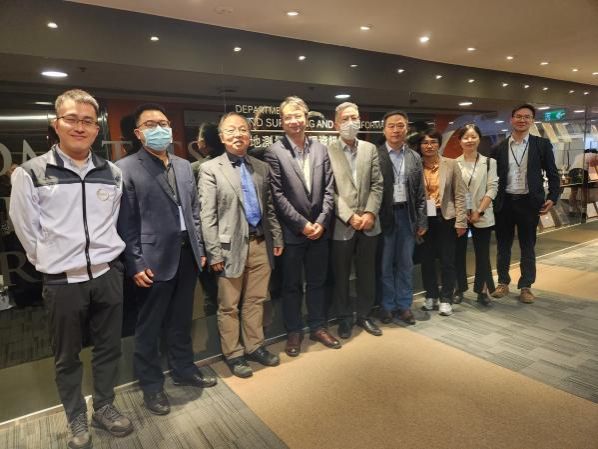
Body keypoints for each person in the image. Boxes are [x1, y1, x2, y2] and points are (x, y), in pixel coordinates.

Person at [9, 89, 133, 449]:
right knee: (67, 357)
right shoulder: (32, 172)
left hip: (108, 275)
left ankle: (104, 406)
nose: (80, 127)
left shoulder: (112, 173)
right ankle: (76, 415)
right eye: (72, 119)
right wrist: (51, 261)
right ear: (56, 124)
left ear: (96, 129)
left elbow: (113, 221)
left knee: (109, 348)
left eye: (87, 121)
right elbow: (25, 228)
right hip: (62, 282)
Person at [117, 103, 217, 417]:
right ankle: (151, 385)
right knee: (149, 327)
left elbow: (194, 211)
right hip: (151, 259)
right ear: (138, 133)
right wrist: (135, 262)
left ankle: (184, 369)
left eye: (163, 123)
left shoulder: (184, 165)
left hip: (187, 255)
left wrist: (200, 247)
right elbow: (125, 223)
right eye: (150, 124)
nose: (159, 128)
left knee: (180, 320)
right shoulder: (125, 168)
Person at [200, 112, 283, 378]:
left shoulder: (261, 167)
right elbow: (207, 215)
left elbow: (269, 209)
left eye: (243, 130)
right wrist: (213, 253)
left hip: (260, 244)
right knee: (229, 305)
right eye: (231, 130)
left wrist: (276, 237)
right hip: (228, 249)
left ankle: (254, 345)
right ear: (222, 137)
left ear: (249, 135)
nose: (238, 135)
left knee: (256, 300)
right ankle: (233, 354)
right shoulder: (210, 169)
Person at [264, 96, 338, 357]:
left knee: (318, 282)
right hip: (292, 233)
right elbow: (277, 195)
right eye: (288, 117)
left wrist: (321, 222)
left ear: (306, 118)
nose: (294, 121)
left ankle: (318, 326)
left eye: (298, 116)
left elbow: (329, 189)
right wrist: (302, 224)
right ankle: (294, 331)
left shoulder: (321, 149)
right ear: (282, 122)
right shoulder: (274, 152)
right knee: (291, 286)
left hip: (319, 231)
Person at [490, 104, 560, 303]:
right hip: (504, 203)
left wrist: (553, 197)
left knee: (527, 246)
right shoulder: (499, 148)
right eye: (518, 116)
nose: (522, 120)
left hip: (529, 203)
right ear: (511, 119)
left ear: (532, 121)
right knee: (503, 245)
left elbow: (553, 173)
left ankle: (526, 286)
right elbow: (492, 177)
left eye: (527, 117)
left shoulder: (541, 144)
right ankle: (503, 282)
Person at [327, 102, 383, 339]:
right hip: (342, 225)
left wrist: (370, 213)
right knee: (341, 275)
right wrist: (349, 216)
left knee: (367, 273)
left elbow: (377, 184)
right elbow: (328, 190)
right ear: (336, 124)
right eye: (346, 119)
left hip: (369, 224)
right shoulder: (327, 151)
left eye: (355, 118)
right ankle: (344, 318)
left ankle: (364, 314)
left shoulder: (370, 149)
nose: (351, 123)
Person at [376, 111, 427, 325]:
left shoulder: (414, 157)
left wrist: (422, 220)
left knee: (406, 263)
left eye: (400, 125)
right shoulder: (376, 155)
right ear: (384, 130)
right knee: (385, 264)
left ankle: (404, 305)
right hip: (385, 217)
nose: (396, 130)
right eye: (391, 126)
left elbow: (421, 192)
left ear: (407, 128)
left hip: (407, 216)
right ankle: (387, 306)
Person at [414, 130, 468, 317]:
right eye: (425, 142)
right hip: (424, 219)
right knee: (426, 260)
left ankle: (446, 298)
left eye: (433, 142)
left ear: (439, 144)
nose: (429, 146)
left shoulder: (451, 164)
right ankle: (431, 295)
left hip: (446, 218)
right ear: (420, 146)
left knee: (447, 260)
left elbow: (460, 194)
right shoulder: (416, 165)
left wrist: (461, 221)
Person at [454, 124, 499, 305]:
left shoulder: (489, 163)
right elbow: (453, 191)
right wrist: (463, 213)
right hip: (461, 216)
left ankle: (482, 290)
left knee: (482, 254)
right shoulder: (453, 163)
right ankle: (459, 288)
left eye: (473, 137)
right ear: (459, 141)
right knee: (458, 253)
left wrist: (479, 211)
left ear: (479, 139)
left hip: (482, 214)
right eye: (465, 137)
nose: (469, 140)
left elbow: (492, 188)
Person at [190, 122, 225, 316]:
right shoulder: (234, 164)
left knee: (211, 296)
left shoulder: (196, 168)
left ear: (202, 142)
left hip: (206, 240)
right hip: (233, 239)